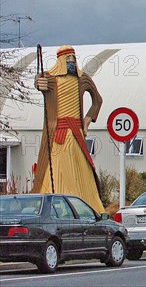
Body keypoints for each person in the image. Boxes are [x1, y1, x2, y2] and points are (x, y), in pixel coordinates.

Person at [32, 45, 104, 213]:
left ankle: (90, 207)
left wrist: (87, 120)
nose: (71, 61)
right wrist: (38, 82)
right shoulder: (50, 78)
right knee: (56, 170)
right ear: (61, 61)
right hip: (57, 134)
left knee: (82, 172)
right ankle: (55, 208)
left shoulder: (82, 79)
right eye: (68, 58)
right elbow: (39, 82)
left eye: (73, 57)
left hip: (76, 134)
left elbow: (97, 100)